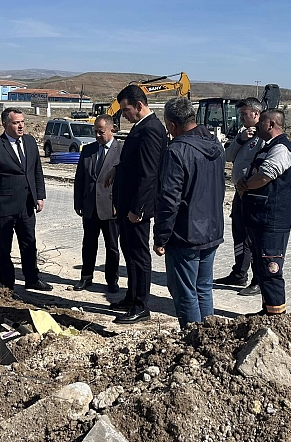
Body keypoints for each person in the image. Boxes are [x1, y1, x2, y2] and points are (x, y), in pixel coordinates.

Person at [153, 97, 225, 329]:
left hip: (185, 234)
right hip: (212, 230)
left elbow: (169, 200)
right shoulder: (216, 145)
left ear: (172, 125)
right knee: (203, 288)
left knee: (185, 292)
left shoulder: (176, 151)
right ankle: (209, 336)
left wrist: (161, 237)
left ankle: (192, 338)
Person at [0, 107, 52, 291]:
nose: (21, 126)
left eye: (22, 122)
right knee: (3, 248)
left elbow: (37, 170)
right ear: (5, 124)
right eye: (16, 123)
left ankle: (32, 279)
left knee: (29, 244)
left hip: (26, 205)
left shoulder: (30, 142)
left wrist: (40, 195)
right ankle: (7, 284)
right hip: (3, 207)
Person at [110, 84, 168, 324]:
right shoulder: (140, 127)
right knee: (129, 250)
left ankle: (141, 305)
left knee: (139, 255)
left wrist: (139, 209)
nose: (124, 115)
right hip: (127, 205)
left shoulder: (151, 130)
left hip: (137, 208)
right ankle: (131, 296)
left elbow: (148, 174)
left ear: (139, 105)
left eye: (126, 110)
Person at [236, 109, 291, 315]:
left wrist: (245, 186)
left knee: (271, 268)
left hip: (272, 219)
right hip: (259, 217)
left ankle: (276, 316)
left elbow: (265, 176)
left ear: (271, 124)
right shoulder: (268, 147)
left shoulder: (282, 148)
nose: (256, 125)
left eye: (261, 121)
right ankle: (268, 310)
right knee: (262, 267)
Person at [214, 98, 263, 296]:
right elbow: (228, 156)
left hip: (254, 193)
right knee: (239, 233)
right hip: (239, 192)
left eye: (244, 114)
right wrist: (241, 139)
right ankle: (239, 272)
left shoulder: (264, 135)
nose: (241, 117)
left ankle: (258, 279)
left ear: (256, 114)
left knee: (254, 238)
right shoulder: (244, 133)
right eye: (240, 114)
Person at [73, 115, 123, 292]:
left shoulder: (121, 150)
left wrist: (120, 205)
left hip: (111, 208)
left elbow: (125, 182)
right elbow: (80, 178)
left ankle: (112, 280)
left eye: (101, 132)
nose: (97, 135)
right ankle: (86, 277)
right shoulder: (88, 150)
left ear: (112, 130)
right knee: (88, 244)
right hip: (90, 207)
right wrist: (78, 202)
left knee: (112, 247)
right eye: (95, 132)